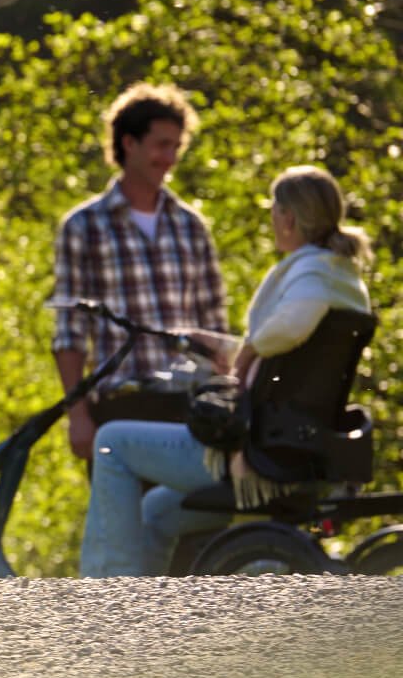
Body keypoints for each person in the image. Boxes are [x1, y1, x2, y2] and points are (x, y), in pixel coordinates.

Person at [79, 165, 374, 576]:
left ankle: (100, 599)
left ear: (288, 217)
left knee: (111, 442)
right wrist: (231, 350)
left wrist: (250, 349)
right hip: (291, 441)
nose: (272, 218)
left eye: (274, 210)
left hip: (256, 447)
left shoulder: (315, 274)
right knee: (157, 510)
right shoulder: (341, 278)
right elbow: (289, 351)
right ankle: (139, 618)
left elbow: (289, 327)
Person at [51, 83, 229, 459]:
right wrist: (77, 416)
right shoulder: (83, 226)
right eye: (161, 145)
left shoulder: (190, 225)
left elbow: (215, 328)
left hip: (189, 408)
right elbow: (70, 334)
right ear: (128, 144)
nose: (170, 158)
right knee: (124, 518)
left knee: (193, 517)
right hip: (119, 407)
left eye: (176, 147)